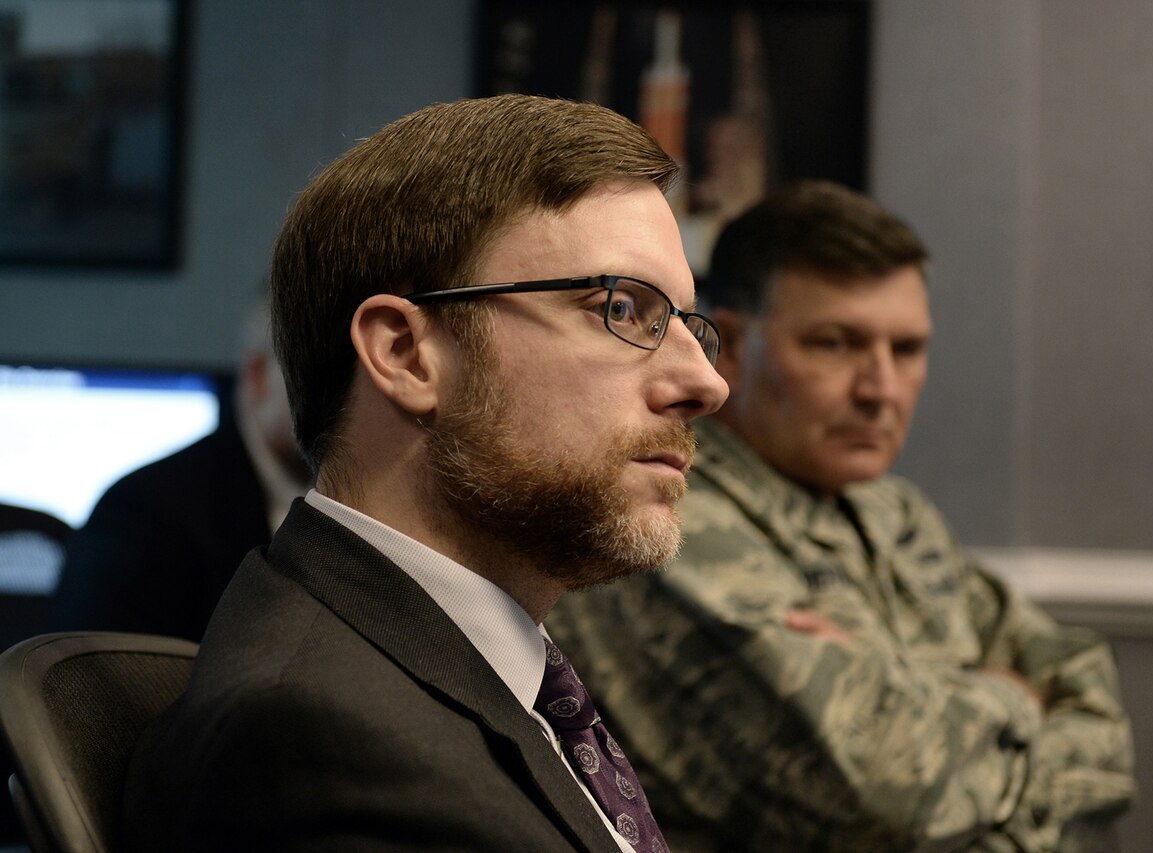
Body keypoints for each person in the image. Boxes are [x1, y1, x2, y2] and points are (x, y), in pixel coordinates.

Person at [122, 94, 728, 852]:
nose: (707, 384)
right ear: (407, 354)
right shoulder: (324, 745)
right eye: (622, 308)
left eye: (686, 324)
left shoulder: (462, 666)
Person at [546, 181, 1136, 852]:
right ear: (731, 345)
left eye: (907, 350)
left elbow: (1096, 703)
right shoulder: (662, 518)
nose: (879, 389)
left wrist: (928, 705)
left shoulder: (893, 510)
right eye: (835, 343)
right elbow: (890, 793)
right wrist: (1015, 699)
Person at [47, 302, 311, 642]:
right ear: (258, 375)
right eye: (321, 373)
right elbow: (84, 685)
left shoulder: (344, 495)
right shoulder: (142, 514)